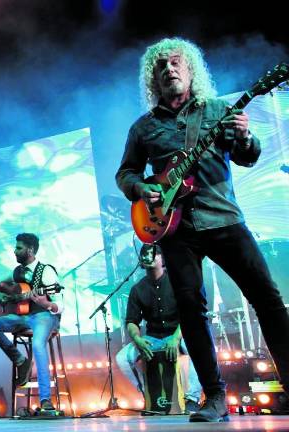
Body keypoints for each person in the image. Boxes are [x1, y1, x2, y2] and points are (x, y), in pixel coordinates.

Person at [116, 37, 289, 422]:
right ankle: (213, 398)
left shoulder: (216, 110)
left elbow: (247, 156)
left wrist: (244, 136)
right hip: (175, 229)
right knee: (191, 311)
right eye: (161, 67)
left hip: (223, 217)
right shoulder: (143, 128)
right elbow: (125, 173)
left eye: (176, 63)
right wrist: (142, 188)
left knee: (268, 299)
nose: (169, 70)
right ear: (153, 79)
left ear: (191, 70)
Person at [115, 243, 201, 414]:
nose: (147, 257)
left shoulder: (177, 281)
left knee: (201, 349)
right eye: (144, 254)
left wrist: (175, 339)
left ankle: (192, 399)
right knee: (122, 358)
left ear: (163, 259)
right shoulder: (137, 289)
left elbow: (189, 314)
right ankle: (147, 394)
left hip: (179, 332)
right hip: (153, 336)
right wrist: (138, 339)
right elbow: (132, 321)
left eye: (152, 253)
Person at [0, 233, 62, 412]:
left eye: (18, 248)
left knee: (37, 344)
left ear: (30, 250)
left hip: (45, 316)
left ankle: (45, 400)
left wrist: (47, 303)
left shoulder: (46, 270)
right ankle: (21, 360)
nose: (14, 251)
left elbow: (60, 304)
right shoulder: (17, 272)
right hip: (24, 317)